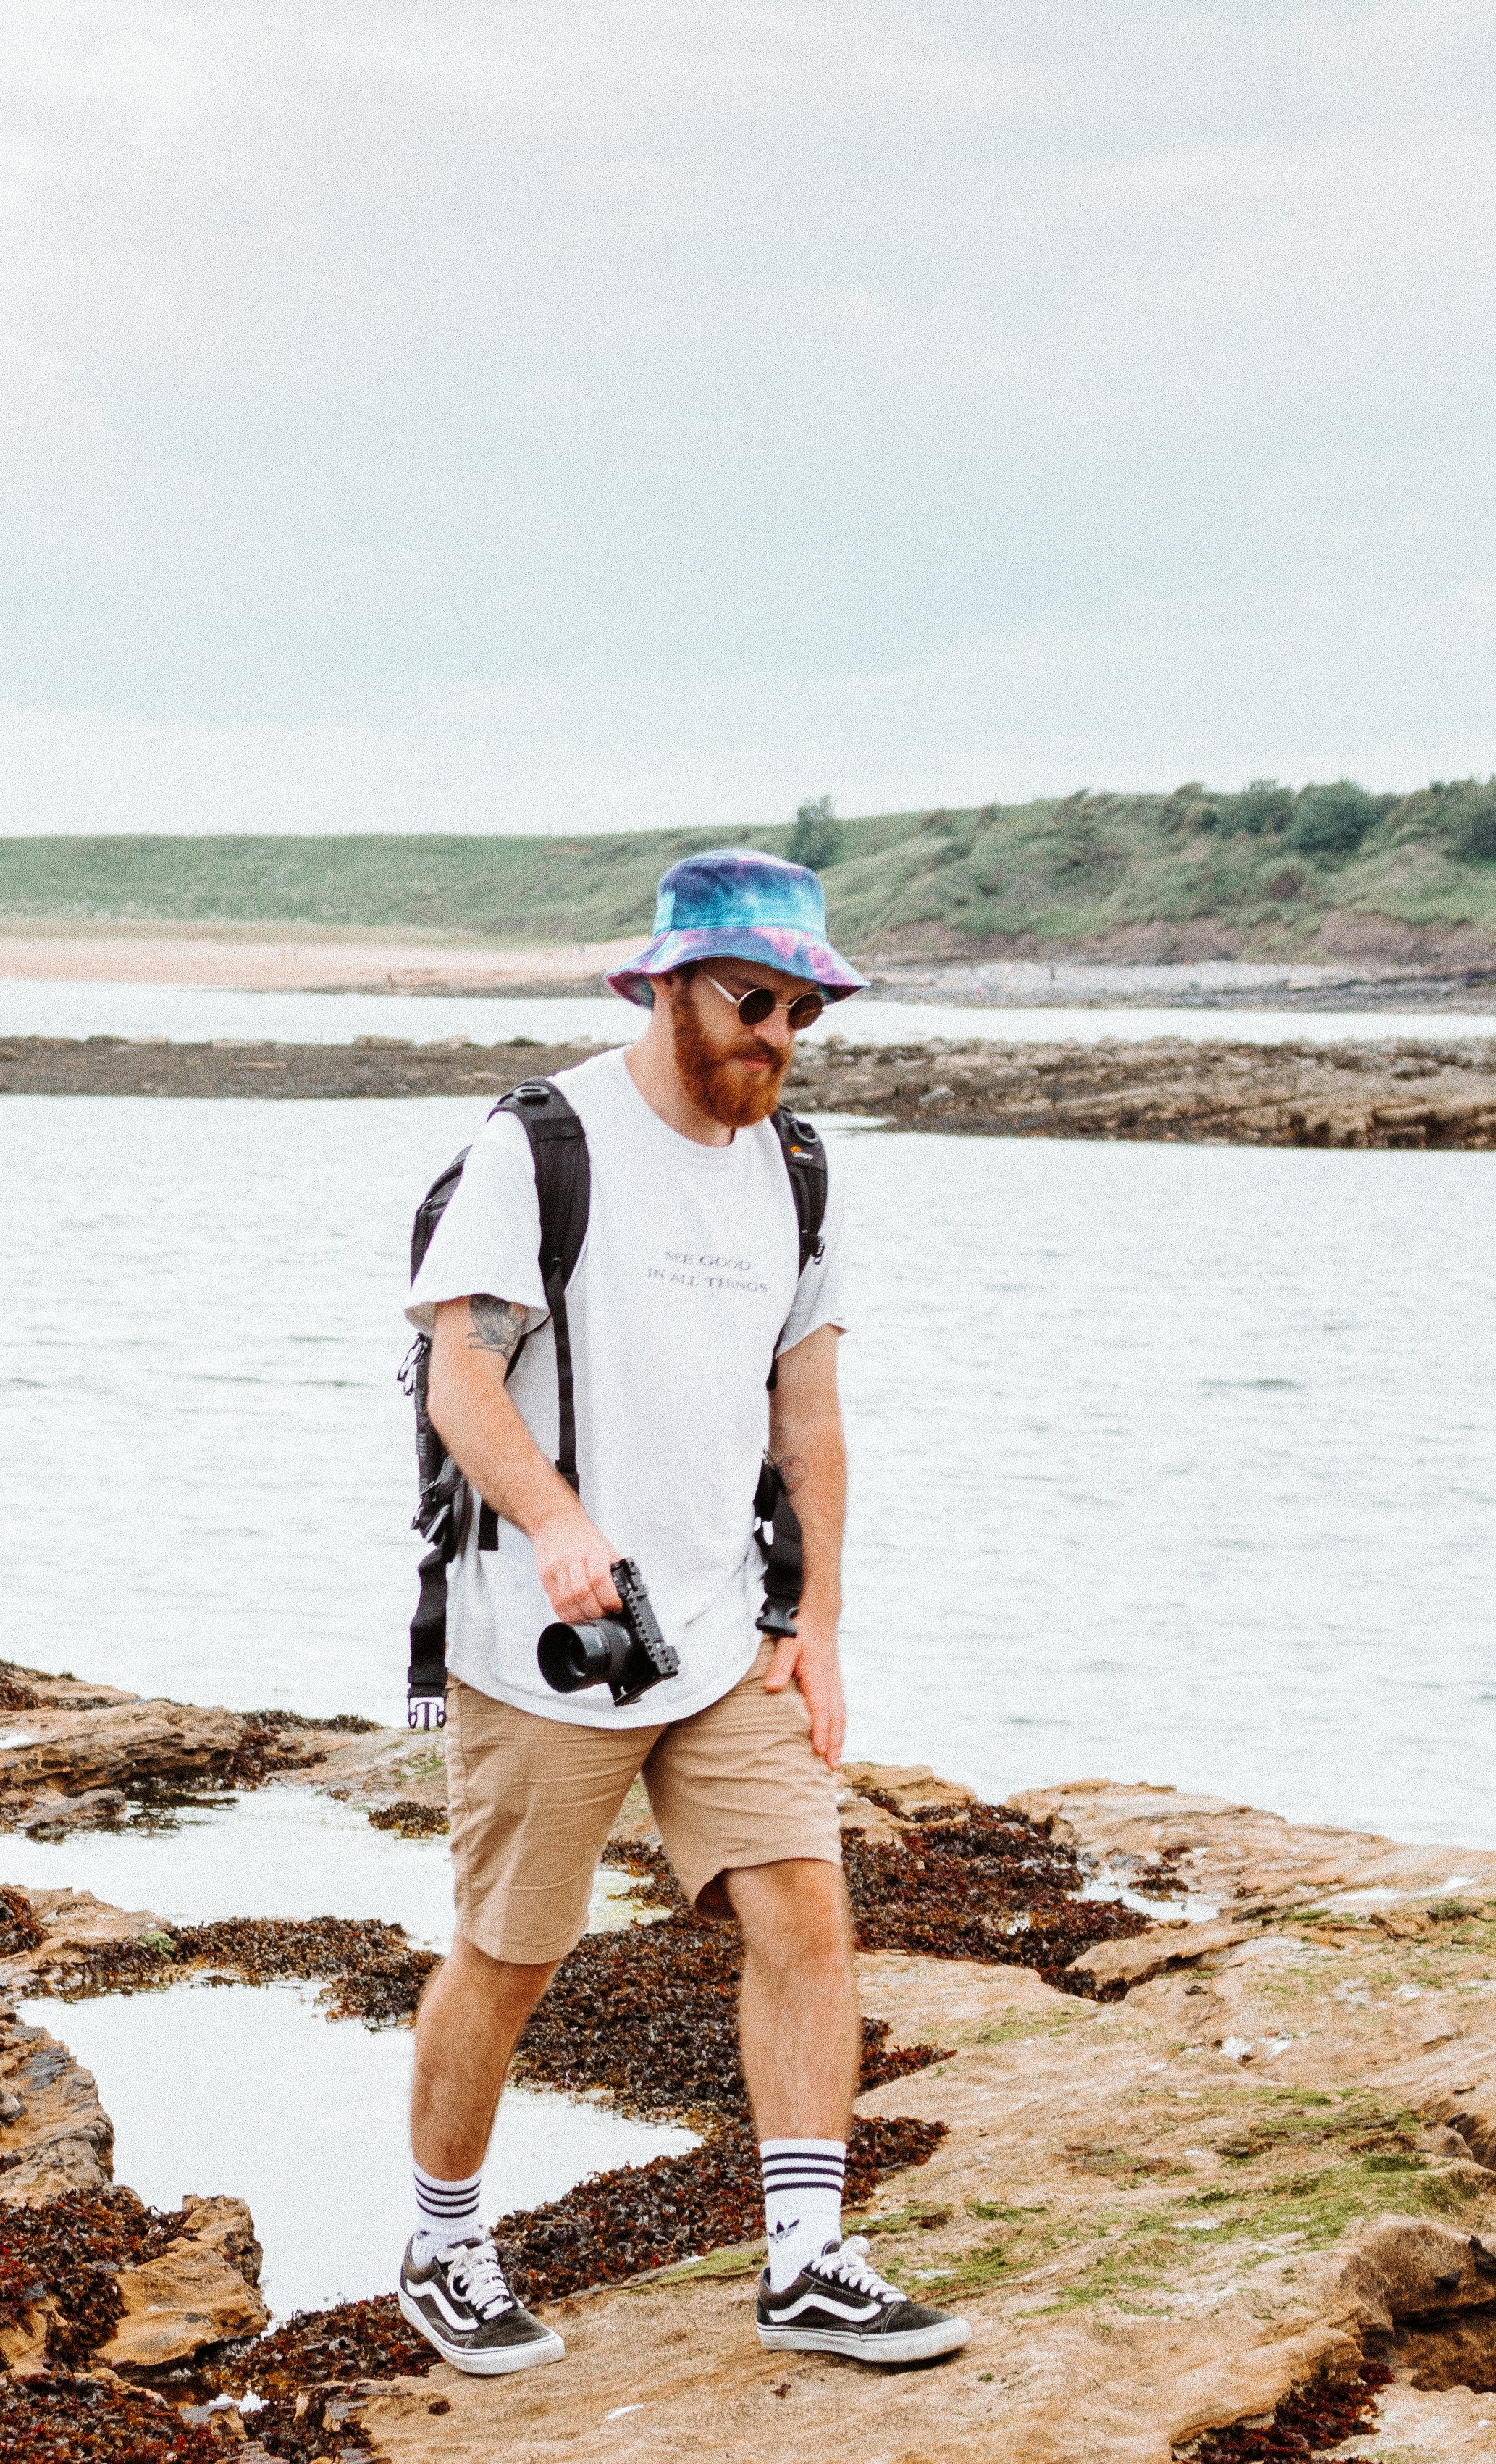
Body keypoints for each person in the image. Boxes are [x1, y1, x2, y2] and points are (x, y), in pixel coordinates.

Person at [395, 847, 969, 2376]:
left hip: (725, 1631)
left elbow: (813, 1413)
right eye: (753, 1000)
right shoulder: (544, 1143)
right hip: (541, 1629)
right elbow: (462, 1376)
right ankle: (444, 2240)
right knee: (512, 1954)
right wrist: (559, 1521)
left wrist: (822, 1622)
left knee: (806, 1913)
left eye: (804, 1011)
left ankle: (807, 2259)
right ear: (660, 986)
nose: (777, 1036)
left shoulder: (800, 1170)